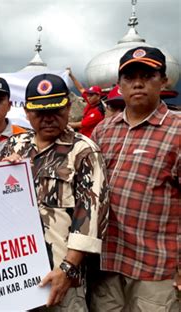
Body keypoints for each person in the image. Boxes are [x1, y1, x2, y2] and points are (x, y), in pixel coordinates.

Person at [0, 73, 109, 311]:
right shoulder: (13, 145)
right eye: (39, 112)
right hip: (13, 274)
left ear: (68, 109)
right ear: (27, 112)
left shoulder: (84, 151)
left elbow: (91, 220)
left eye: (56, 110)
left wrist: (67, 270)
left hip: (60, 278)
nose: (48, 118)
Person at [91, 46, 180, 311]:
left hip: (156, 269)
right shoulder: (104, 130)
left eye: (147, 75)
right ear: (119, 84)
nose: (138, 83)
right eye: (129, 78)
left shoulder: (177, 131)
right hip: (107, 263)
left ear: (163, 81)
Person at [67, 69, 105, 137]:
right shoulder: (91, 103)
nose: (88, 97)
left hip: (90, 139)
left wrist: (64, 124)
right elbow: (81, 88)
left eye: (91, 95)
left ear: (98, 96)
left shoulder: (97, 112)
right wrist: (71, 76)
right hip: (83, 135)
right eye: (88, 95)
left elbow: (80, 124)